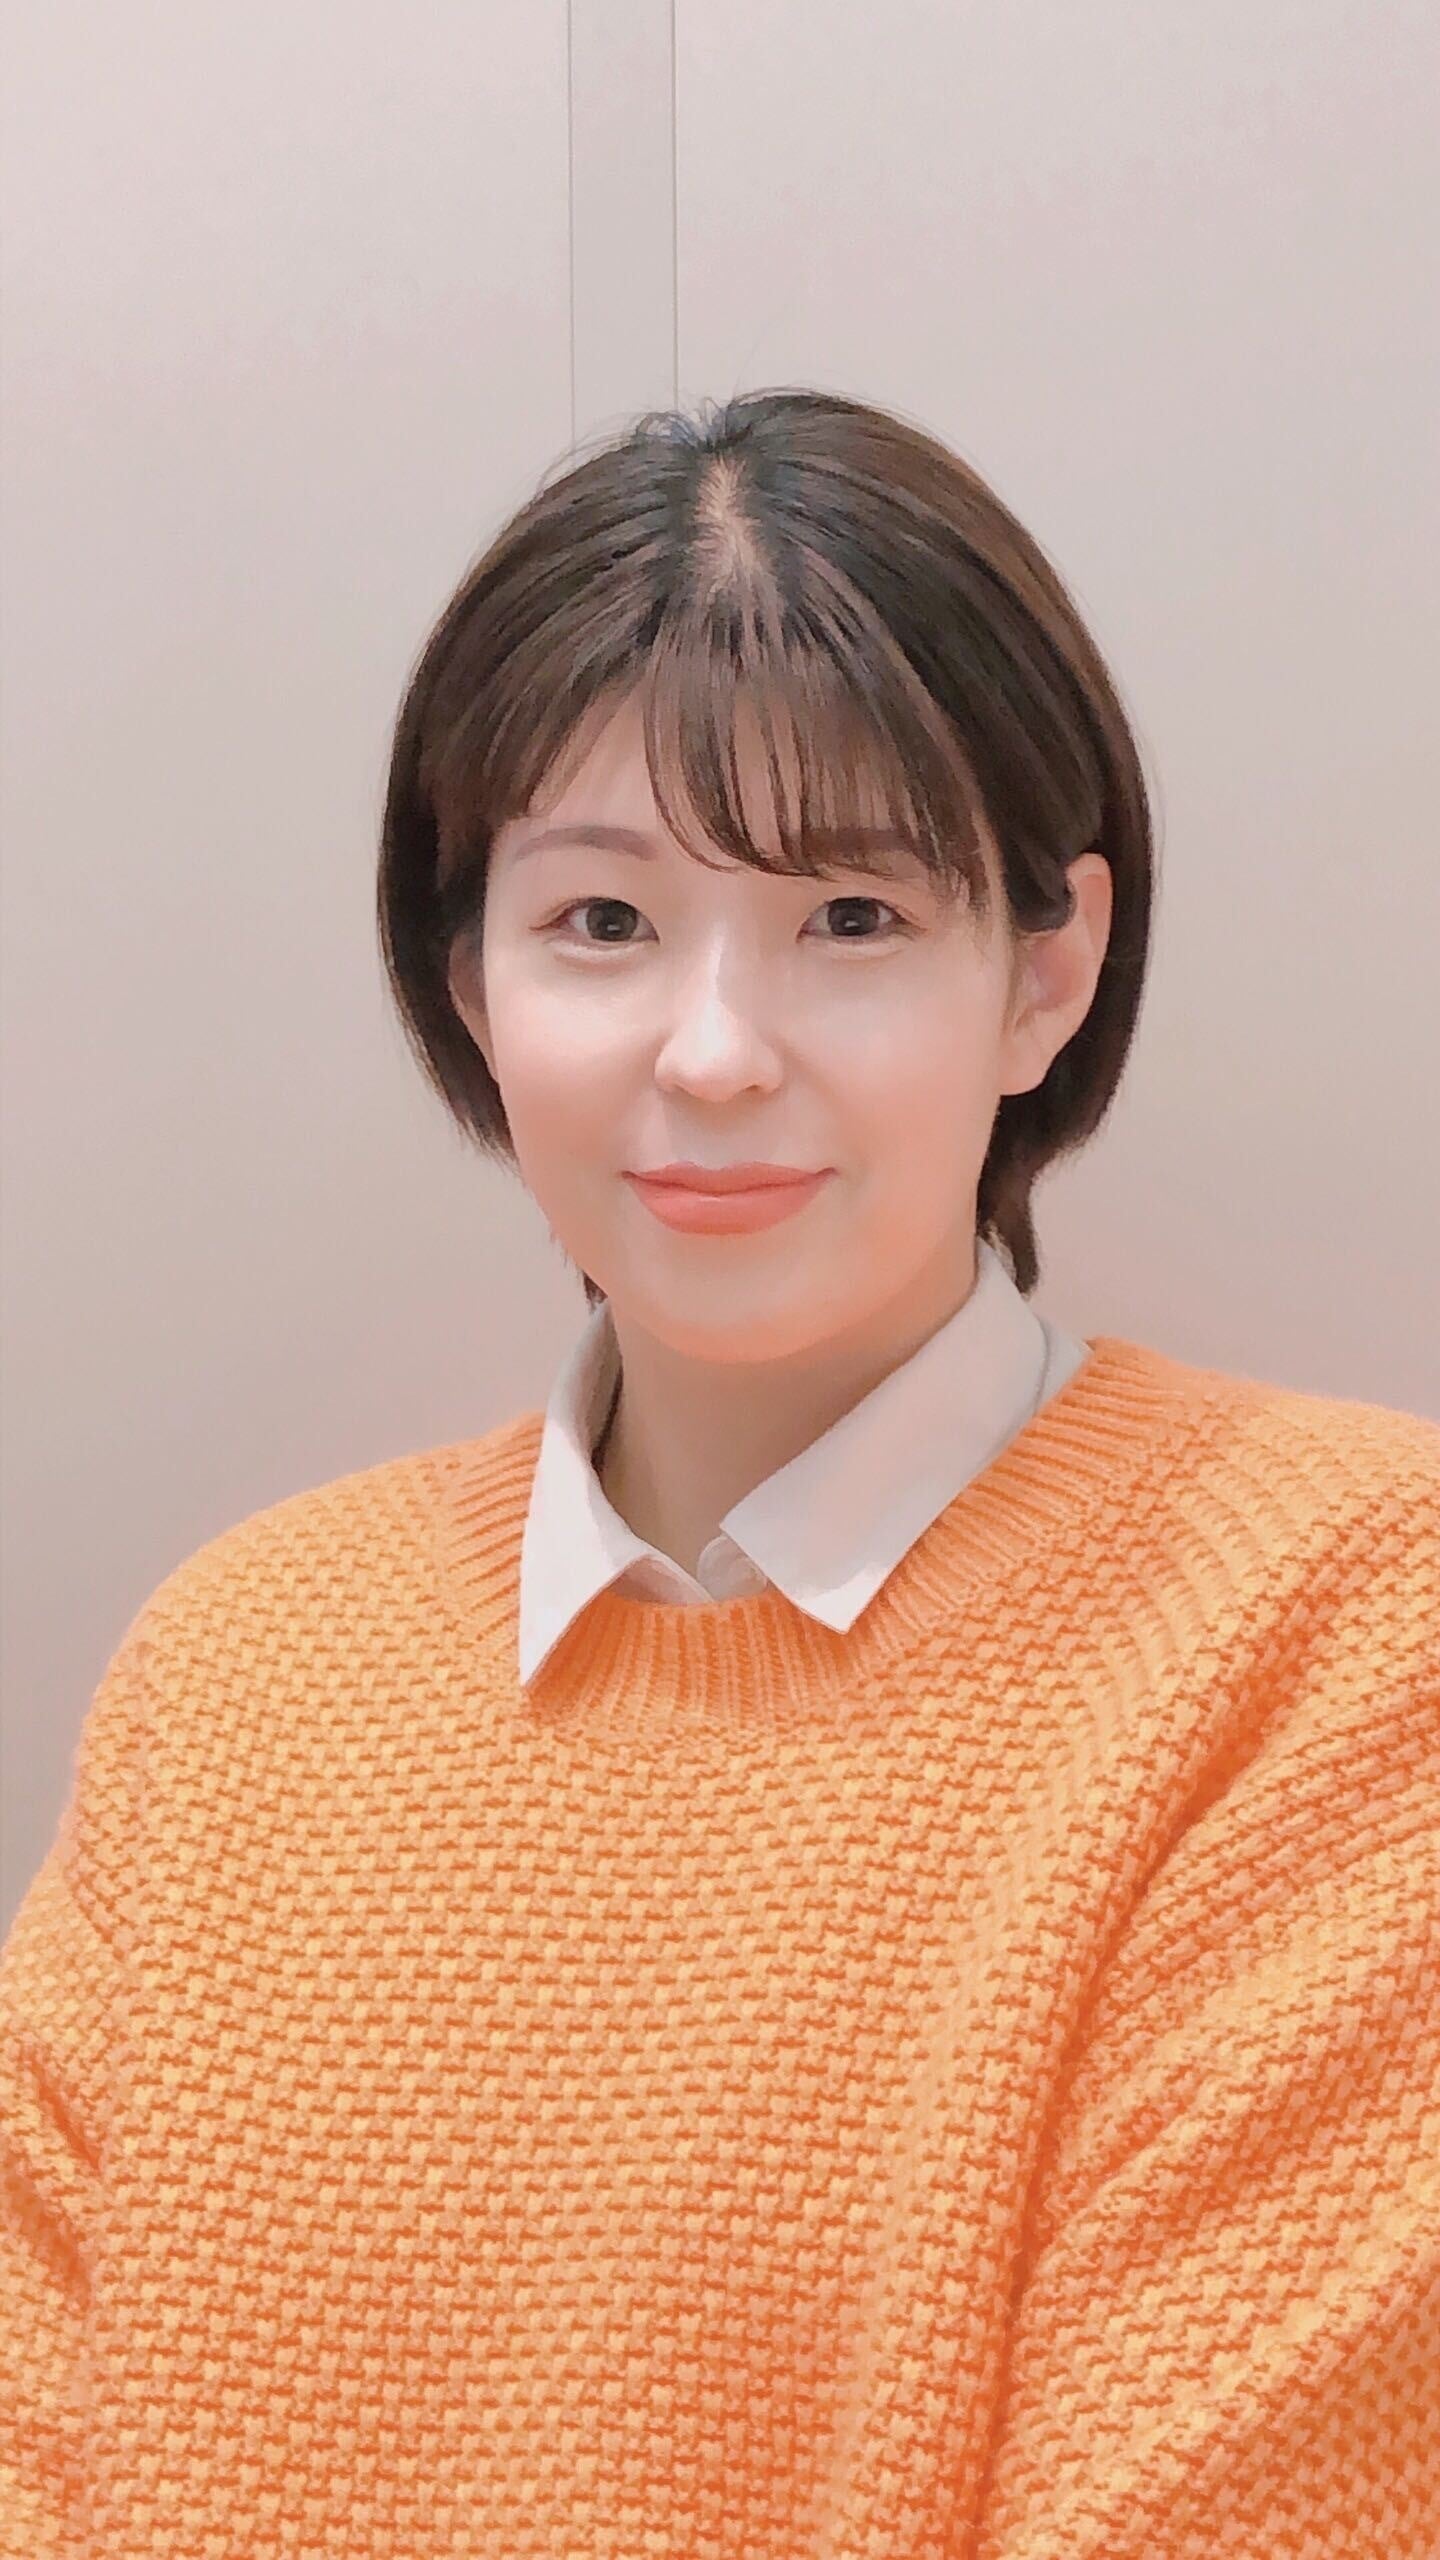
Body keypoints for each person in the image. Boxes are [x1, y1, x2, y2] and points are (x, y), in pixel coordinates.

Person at [3, 387, 1436, 2559]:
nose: (713, 1051)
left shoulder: (1338, 1622)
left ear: (1045, 969)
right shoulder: (240, 1671)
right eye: (602, 922)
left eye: (850, 916)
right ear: (468, 977)